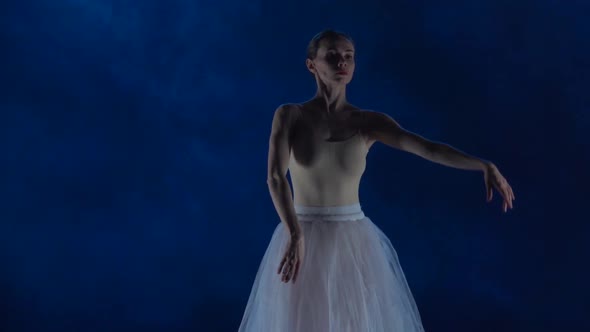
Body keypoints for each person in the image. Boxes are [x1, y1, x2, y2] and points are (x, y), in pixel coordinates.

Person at [238, 29, 515, 332]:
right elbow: (276, 177)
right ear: (311, 65)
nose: (342, 62)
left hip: (353, 243)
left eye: (348, 57)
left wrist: (481, 165)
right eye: (332, 55)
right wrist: (295, 233)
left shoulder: (368, 122)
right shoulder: (290, 115)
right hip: (299, 233)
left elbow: (427, 148)